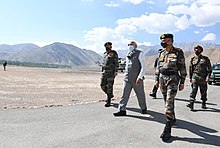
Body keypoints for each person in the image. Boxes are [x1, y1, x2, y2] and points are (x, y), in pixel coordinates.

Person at [155, 34, 187, 142]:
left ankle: (167, 130)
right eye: (162, 40)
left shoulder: (178, 52)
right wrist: (156, 80)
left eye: (165, 40)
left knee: (169, 102)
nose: (163, 42)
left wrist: (182, 81)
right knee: (166, 101)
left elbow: (182, 67)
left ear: (170, 41)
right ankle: (172, 118)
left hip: (173, 78)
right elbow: (158, 67)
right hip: (162, 79)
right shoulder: (161, 52)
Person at [113, 41, 147, 116]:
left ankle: (143, 108)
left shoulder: (140, 53)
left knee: (140, 94)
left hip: (136, 78)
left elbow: (143, 66)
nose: (129, 46)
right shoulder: (128, 54)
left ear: (135, 45)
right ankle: (122, 109)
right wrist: (125, 75)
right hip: (127, 78)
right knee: (124, 94)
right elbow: (127, 66)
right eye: (128, 45)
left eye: (131, 44)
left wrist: (140, 77)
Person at [187, 45, 212, 111]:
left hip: (203, 78)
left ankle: (203, 103)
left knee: (203, 91)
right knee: (193, 91)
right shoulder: (192, 59)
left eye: (198, 49)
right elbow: (190, 69)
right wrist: (190, 78)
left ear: (201, 50)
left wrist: (208, 77)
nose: (196, 50)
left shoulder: (205, 59)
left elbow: (209, 69)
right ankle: (191, 104)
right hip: (195, 77)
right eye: (195, 49)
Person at [101, 42, 119, 107]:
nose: (108, 47)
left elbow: (116, 62)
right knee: (102, 85)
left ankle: (108, 101)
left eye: (110, 46)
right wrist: (102, 71)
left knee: (110, 86)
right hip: (104, 72)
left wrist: (116, 71)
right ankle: (110, 95)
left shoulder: (114, 53)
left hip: (111, 72)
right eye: (107, 46)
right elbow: (103, 63)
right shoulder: (104, 54)